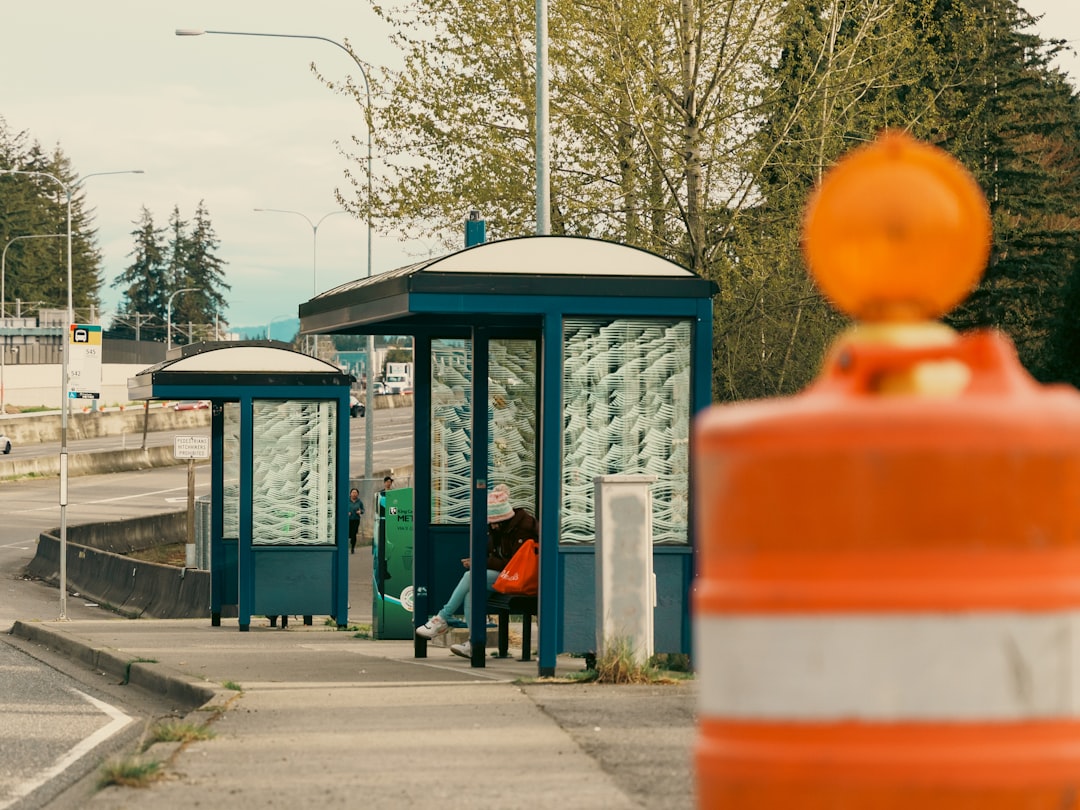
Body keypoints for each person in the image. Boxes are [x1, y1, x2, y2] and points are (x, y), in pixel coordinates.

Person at [416, 483, 537, 658]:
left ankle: (442, 618)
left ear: (504, 519)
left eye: (495, 523)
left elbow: (513, 563)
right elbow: (496, 558)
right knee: (471, 594)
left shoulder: (523, 528)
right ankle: (474, 643)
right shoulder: (498, 529)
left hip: (522, 578)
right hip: (507, 576)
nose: (492, 527)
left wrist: (480, 563)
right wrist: (479, 561)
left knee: (471, 576)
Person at [346, 487, 365, 554]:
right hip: (348, 520)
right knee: (347, 534)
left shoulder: (359, 502)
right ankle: (345, 547)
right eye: (353, 492)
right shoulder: (347, 501)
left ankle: (352, 548)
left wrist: (360, 512)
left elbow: (363, 510)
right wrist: (347, 512)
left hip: (356, 520)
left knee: (354, 534)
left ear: (358, 494)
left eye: (355, 493)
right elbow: (342, 508)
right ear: (350, 494)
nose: (354, 494)